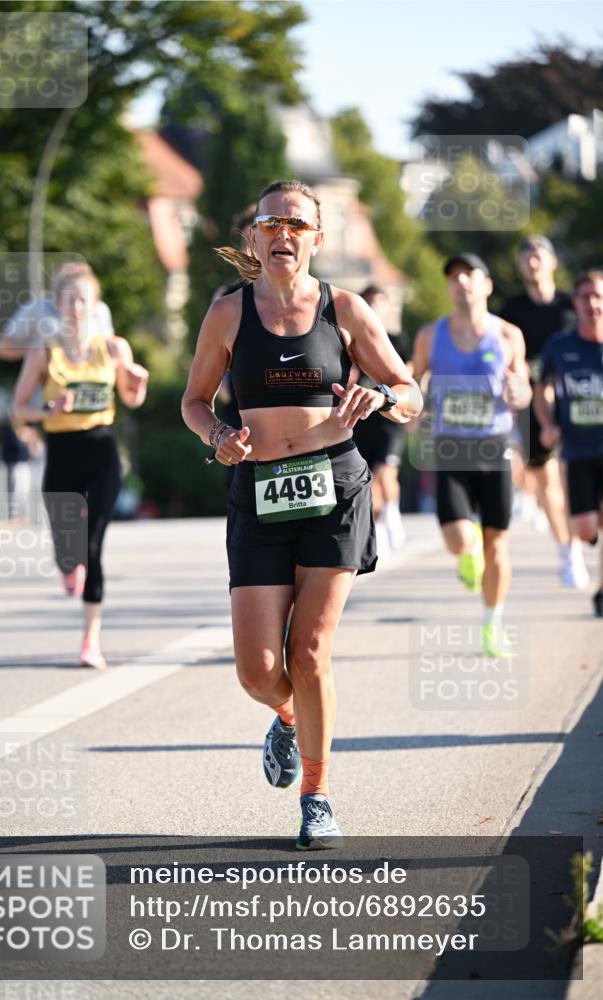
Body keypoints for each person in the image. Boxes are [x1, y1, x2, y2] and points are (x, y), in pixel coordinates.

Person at [182, 179, 420, 849]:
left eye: (296, 223)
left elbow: (410, 391)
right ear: (254, 237)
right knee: (258, 669)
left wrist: (377, 396)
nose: (282, 233)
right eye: (270, 223)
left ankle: (315, 796)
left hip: (333, 488)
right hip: (258, 490)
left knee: (309, 651)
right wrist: (216, 436)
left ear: (317, 239)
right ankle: (286, 716)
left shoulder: (343, 310)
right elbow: (194, 401)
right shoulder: (228, 313)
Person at [11, 268, 148, 668]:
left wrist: (137, 384)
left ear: (95, 305)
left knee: (94, 547)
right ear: (57, 304)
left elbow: (130, 398)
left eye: (83, 300)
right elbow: (18, 408)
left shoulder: (114, 347)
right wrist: (47, 409)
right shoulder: (43, 351)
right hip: (61, 451)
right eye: (68, 300)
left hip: (102, 449)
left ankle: (91, 641)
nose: (75, 308)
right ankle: (68, 566)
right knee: (69, 551)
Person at [411, 253, 532, 658]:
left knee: (499, 541)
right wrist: (414, 407)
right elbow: (415, 380)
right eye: (454, 276)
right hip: (451, 447)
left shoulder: (509, 335)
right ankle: (469, 552)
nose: (461, 282)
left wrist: (521, 393)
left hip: (494, 447)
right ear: (448, 287)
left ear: (487, 284)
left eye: (469, 274)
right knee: (459, 538)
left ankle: (493, 623)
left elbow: (525, 387)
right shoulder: (431, 335)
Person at [499, 235, 588, 588]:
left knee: (572, 479)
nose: (531, 261)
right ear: (521, 266)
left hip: (578, 400)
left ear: (552, 261)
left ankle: (577, 532)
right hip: (535, 403)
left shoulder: (571, 305)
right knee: (548, 480)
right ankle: (568, 550)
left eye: (538, 254)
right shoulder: (512, 310)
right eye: (525, 256)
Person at [534, 269, 603, 617]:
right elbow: (542, 387)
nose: (593, 303)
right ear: (575, 303)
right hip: (577, 449)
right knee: (586, 527)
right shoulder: (561, 346)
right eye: (586, 296)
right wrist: (547, 423)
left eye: (598, 296)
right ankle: (588, 535)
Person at [352, 284, 411, 549]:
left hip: (389, 417)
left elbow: (408, 379)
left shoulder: (398, 341)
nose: (375, 307)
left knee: (386, 471)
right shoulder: (351, 340)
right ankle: (377, 527)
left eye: (380, 302)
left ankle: (393, 512)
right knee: (369, 479)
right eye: (370, 302)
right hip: (363, 419)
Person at [0, 261, 115, 361]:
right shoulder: (36, 308)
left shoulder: (100, 310)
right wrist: (43, 352)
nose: (76, 307)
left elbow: (110, 349)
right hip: (45, 386)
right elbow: (2, 347)